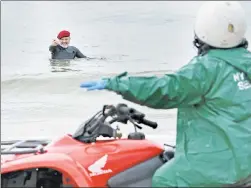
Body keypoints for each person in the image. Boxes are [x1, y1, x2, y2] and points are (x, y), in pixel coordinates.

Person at [80, 1, 251, 187]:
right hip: (245, 158)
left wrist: (116, 83)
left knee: (164, 179)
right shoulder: (246, 63)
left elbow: (164, 89)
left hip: (218, 166)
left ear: (203, 28)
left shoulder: (205, 69)